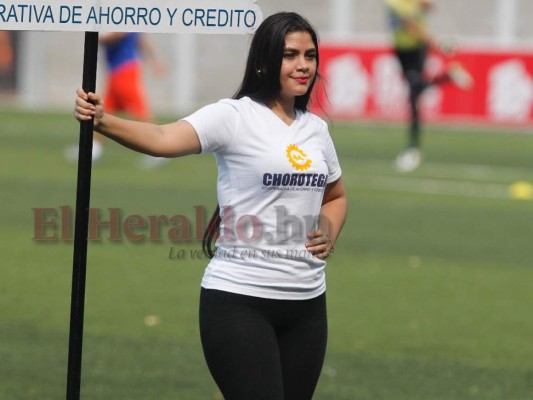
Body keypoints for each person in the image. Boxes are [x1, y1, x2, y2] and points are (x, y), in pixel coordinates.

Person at [74, 12, 347, 400]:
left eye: (310, 55)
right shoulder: (233, 116)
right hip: (239, 303)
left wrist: (329, 231)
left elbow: (336, 196)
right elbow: (163, 137)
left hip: (307, 307)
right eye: (290, 55)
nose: (303, 65)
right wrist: (103, 121)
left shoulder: (316, 130)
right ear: (265, 62)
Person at [386, 0, 473, 172]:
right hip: (402, 49)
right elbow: (410, 23)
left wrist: (435, 42)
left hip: (415, 49)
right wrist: (438, 43)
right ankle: (448, 76)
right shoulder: (395, 3)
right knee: (415, 91)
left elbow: (422, 14)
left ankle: (413, 149)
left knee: (413, 94)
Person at [66, 32, 166, 168]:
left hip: (125, 70)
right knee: (103, 110)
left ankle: (159, 148)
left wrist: (95, 37)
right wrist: (155, 60)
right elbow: (141, 40)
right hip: (116, 70)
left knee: (140, 112)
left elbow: (120, 34)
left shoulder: (124, 18)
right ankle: (94, 148)